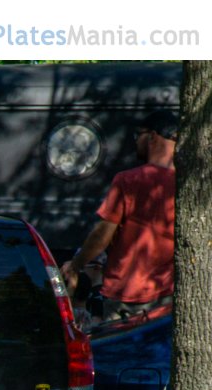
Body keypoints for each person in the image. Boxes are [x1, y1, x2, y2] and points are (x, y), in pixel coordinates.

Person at [61, 110, 177, 320]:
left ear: (152, 136)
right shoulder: (190, 185)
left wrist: (75, 266)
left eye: (138, 135)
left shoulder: (128, 181)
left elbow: (101, 237)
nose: (135, 142)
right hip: (167, 296)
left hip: (123, 296)